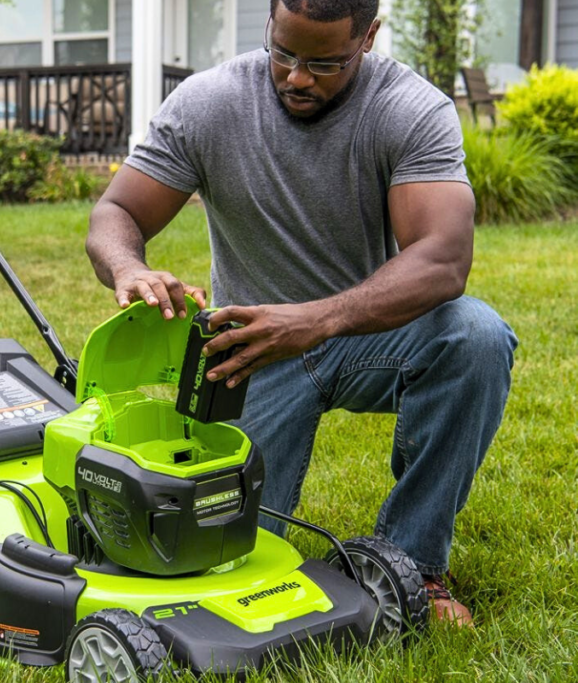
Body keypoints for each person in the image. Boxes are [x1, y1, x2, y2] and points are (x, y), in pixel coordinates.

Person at [86, 0, 518, 626]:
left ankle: (411, 564)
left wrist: (314, 321)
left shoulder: (411, 109)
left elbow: (443, 260)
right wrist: (129, 267)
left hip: (367, 334)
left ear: (369, 36)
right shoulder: (210, 103)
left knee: (476, 337)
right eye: (283, 52)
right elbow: (114, 215)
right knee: (223, 561)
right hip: (252, 352)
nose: (295, 77)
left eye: (324, 63)